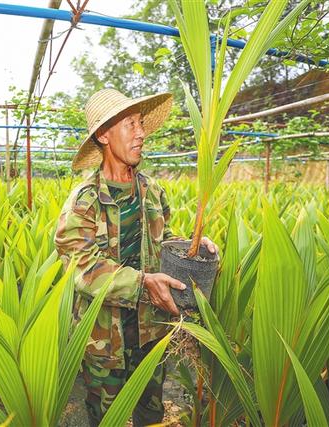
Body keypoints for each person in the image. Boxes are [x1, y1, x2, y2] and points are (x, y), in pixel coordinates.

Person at [54, 88, 218, 426]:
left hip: (151, 331)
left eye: (141, 123)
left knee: (151, 413)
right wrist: (144, 284)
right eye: (130, 124)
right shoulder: (84, 202)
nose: (141, 133)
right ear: (103, 135)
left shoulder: (153, 191)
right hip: (104, 342)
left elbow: (164, 239)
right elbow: (81, 266)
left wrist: (191, 246)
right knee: (106, 417)